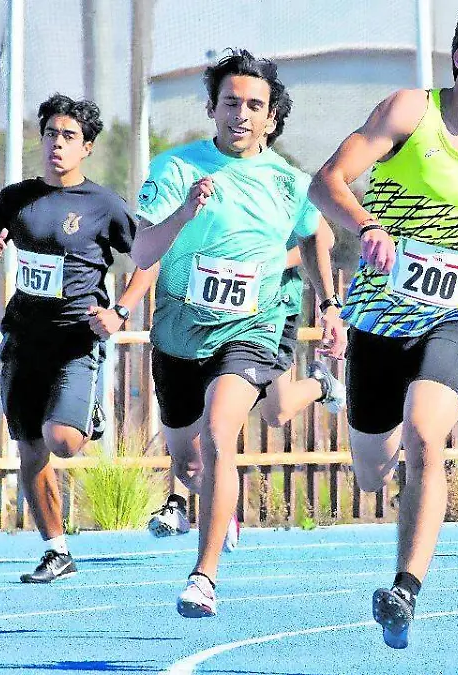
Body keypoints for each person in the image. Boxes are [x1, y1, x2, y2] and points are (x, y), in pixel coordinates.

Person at [309, 0, 458, 649]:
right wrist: (369, 226)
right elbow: (325, 182)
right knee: (369, 469)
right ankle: (345, 405)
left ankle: (405, 587)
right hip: (381, 320)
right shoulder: (410, 112)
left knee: (426, 435)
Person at [130, 49, 345, 618]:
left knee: (223, 431)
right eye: (231, 102)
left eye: (255, 105)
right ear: (212, 108)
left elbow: (316, 234)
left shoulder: (289, 183)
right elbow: (143, 250)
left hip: (254, 323)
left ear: (272, 118)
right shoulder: (175, 169)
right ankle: (219, 505)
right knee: (190, 461)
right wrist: (184, 214)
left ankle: (203, 578)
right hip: (179, 330)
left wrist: (329, 304)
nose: (242, 114)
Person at [0, 94, 157, 583]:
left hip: (76, 340)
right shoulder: (15, 198)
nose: (57, 144)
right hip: (22, 340)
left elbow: (149, 258)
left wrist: (120, 312)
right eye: (51, 133)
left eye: (69, 136)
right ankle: (57, 550)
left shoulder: (103, 205)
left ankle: (84, 414)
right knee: (30, 448)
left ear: (87, 147)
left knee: (63, 441)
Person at [146, 234, 346, 540]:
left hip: (271, 309)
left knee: (276, 412)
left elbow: (323, 237)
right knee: (207, 425)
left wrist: (267, 264)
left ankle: (319, 385)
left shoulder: (289, 187)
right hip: (210, 314)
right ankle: (206, 506)